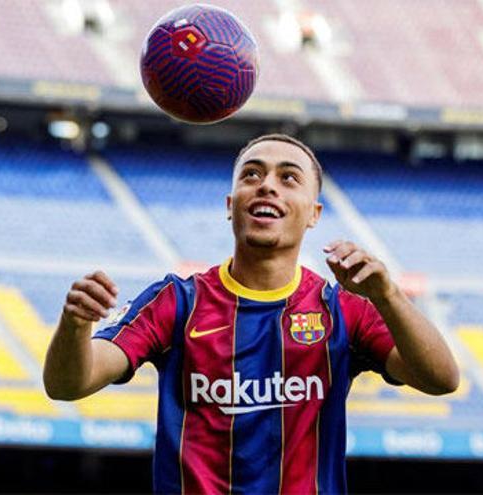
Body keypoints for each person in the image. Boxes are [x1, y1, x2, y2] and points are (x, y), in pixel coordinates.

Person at [43, 134, 459, 494]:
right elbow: (67, 385)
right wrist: (75, 324)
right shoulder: (175, 301)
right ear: (231, 205)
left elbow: (442, 379)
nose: (267, 186)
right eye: (252, 175)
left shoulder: (344, 309)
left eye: (288, 178)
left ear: (313, 214)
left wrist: (388, 296)